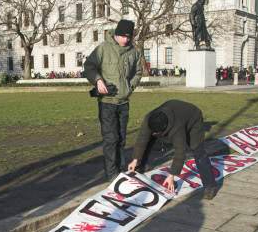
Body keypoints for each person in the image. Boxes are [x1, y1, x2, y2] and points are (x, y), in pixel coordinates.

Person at [84, 19, 143, 181]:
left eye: (129, 37)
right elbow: (89, 66)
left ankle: (120, 169)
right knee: (111, 139)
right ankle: (112, 175)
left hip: (124, 103)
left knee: (122, 138)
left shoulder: (134, 52)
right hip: (107, 103)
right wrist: (97, 80)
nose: (126, 39)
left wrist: (129, 87)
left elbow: (138, 72)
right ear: (116, 34)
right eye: (123, 36)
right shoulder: (103, 48)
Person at [127, 99, 219, 200]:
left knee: (198, 151)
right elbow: (142, 138)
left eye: (156, 133)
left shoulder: (177, 129)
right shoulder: (149, 118)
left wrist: (171, 175)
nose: (154, 135)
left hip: (193, 117)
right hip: (174, 109)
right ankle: (140, 167)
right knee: (148, 139)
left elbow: (180, 152)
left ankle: (210, 186)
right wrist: (135, 159)